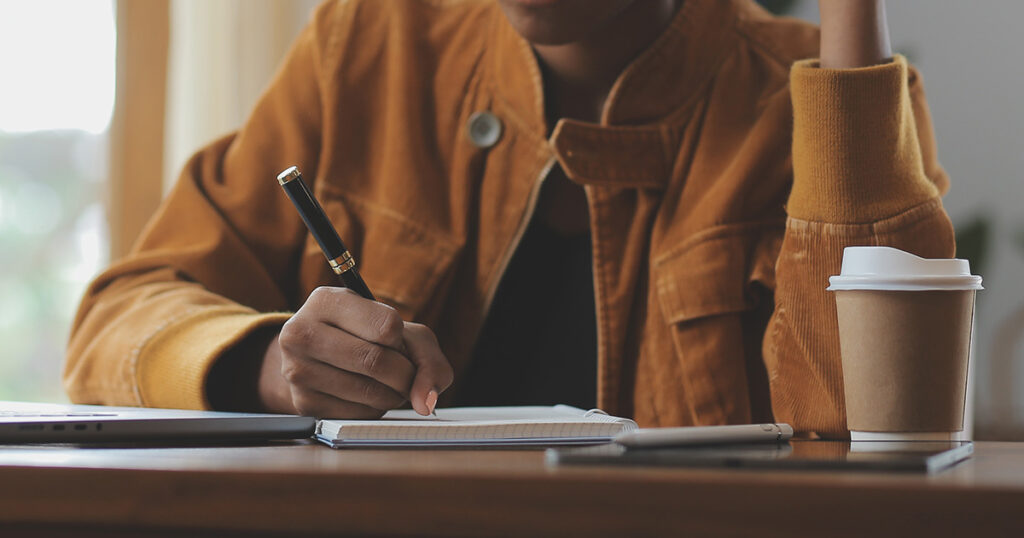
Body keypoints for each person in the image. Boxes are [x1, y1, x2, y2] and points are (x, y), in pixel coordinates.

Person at [64, 0, 954, 437]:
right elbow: (122, 313)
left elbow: (877, 434)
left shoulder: (831, 98)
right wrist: (266, 366)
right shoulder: (374, 45)